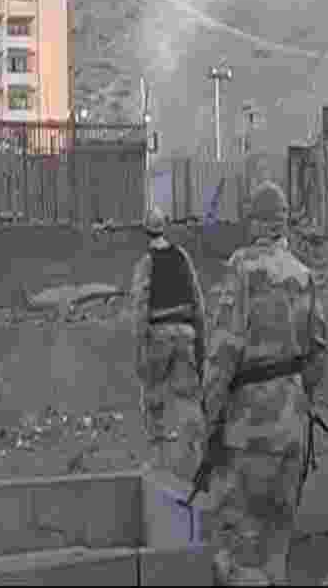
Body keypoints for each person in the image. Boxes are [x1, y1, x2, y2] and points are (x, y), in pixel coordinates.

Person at [201, 181, 328, 586]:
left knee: (239, 547)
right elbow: (318, 355)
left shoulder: (243, 269)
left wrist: (211, 415)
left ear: (255, 223)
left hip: (249, 430)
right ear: (285, 223)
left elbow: (224, 351)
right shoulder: (304, 274)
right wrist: (299, 400)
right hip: (292, 429)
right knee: (278, 546)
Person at [128, 206, 207, 481]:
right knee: (188, 399)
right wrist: (201, 341)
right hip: (186, 334)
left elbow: (140, 307)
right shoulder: (182, 257)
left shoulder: (146, 262)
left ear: (145, 232)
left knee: (153, 396)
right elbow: (198, 300)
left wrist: (139, 348)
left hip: (158, 335)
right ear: (165, 228)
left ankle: (159, 462)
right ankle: (195, 461)